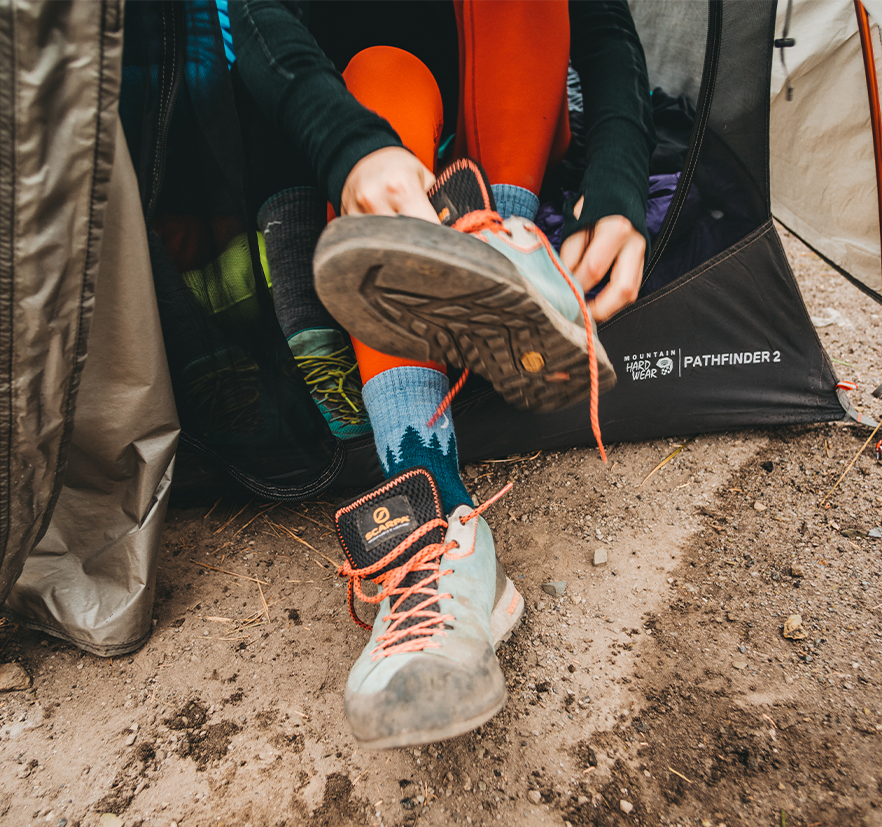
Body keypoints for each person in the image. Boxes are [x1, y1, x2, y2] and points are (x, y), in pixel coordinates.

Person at [230, 0, 654, 748]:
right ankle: (434, 514)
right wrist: (353, 148)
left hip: (503, 128)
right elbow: (257, 18)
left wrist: (618, 183)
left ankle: (500, 261)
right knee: (378, 72)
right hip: (362, 142)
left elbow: (602, 27)